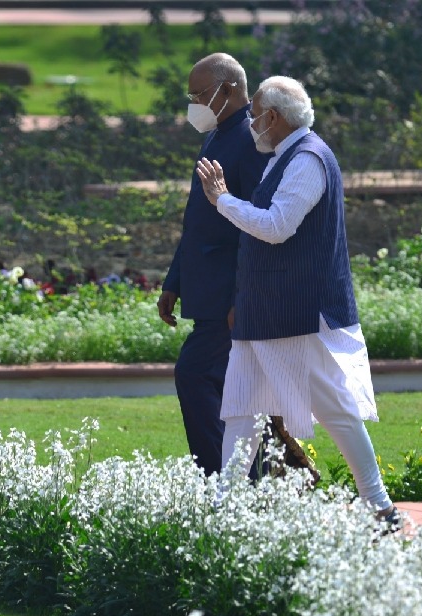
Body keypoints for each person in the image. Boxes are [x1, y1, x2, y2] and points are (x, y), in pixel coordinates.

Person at [195, 75, 401, 526]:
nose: (250, 123)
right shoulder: (286, 156)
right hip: (264, 311)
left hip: (296, 311)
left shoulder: (308, 159)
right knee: (242, 410)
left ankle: (379, 504)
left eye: (254, 116)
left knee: (333, 407)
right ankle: (223, 510)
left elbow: (276, 226)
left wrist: (223, 199)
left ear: (272, 117)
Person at [157, 53, 271, 476]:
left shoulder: (250, 141)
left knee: (195, 376)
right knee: (229, 393)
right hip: (205, 291)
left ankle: (223, 481)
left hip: (228, 297)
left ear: (229, 90)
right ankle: (247, 483)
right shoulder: (215, 136)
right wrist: (175, 281)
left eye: (201, 94)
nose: (195, 104)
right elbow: (198, 221)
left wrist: (245, 296)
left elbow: (254, 225)